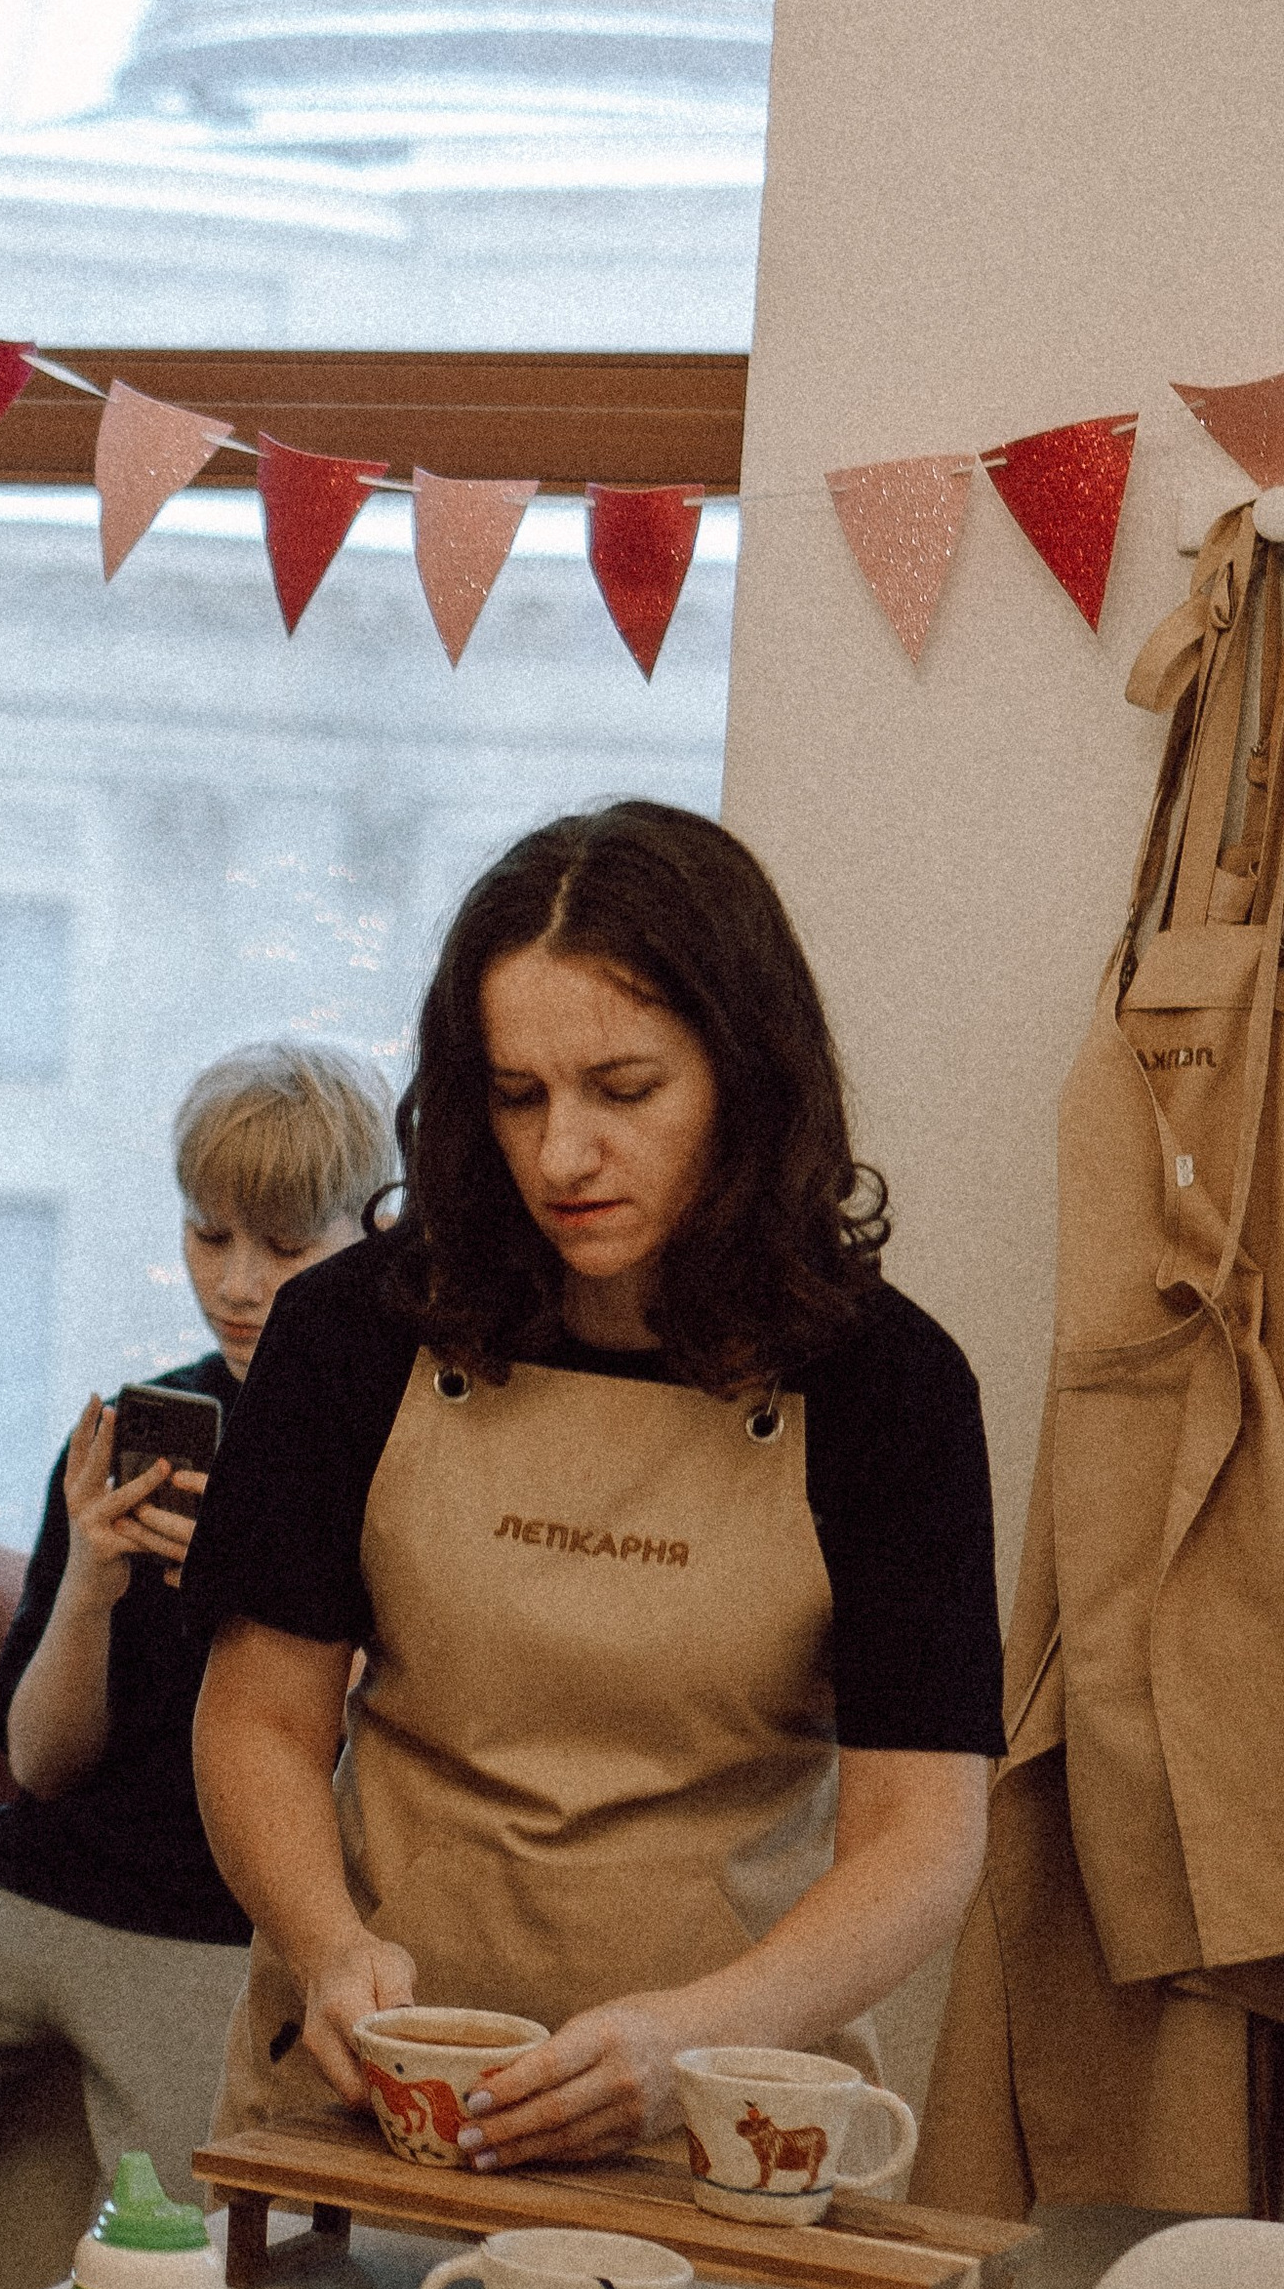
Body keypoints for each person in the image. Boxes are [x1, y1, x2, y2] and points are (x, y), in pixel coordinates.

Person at [188, 803, 1003, 2174]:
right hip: (378, 2097)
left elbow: (920, 1836)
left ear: (746, 1080)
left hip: (728, 2108)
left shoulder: (889, 1389)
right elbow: (259, 1724)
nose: (564, 1154)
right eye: (519, 1097)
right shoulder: (351, 1336)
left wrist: (697, 2037)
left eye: (624, 1092)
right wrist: (326, 1944)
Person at [0, 1043, 397, 2289]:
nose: (234, 1283)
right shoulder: (139, 1427)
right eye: (206, 1233)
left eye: (283, 1246)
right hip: (35, 1874)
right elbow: (42, 1766)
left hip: (217, 1926)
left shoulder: (400, 1454)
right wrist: (87, 1588)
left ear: (370, 1236)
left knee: (199, 2287)